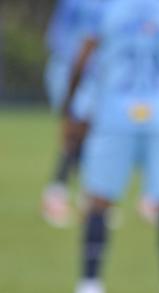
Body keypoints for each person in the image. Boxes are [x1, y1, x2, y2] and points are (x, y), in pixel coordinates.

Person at [63, 0, 159, 293]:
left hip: (115, 111)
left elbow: (81, 61)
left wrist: (69, 108)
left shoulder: (105, 10)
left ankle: (89, 292)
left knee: (98, 201)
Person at [42, 0, 102, 228]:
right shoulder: (73, 3)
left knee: (90, 135)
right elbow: (57, 38)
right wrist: (75, 66)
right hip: (69, 72)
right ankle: (57, 194)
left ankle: (86, 196)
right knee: (74, 132)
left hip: (95, 76)